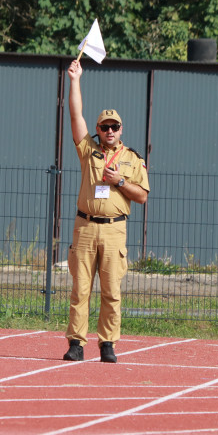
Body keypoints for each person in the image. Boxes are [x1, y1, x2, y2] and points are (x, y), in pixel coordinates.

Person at [63, 59, 149, 363]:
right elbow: (76, 115)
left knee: (112, 291)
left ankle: (108, 343)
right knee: (81, 289)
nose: (109, 130)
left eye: (114, 126)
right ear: (98, 130)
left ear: (121, 129)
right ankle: (76, 342)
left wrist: (121, 181)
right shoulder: (88, 150)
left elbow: (142, 196)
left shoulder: (132, 158)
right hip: (85, 227)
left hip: (115, 229)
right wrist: (75, 79)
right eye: (104, 126)